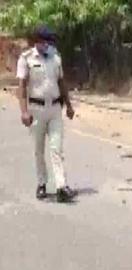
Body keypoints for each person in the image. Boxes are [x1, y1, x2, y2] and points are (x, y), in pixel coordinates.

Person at [16, 26, 77, 203]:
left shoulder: (56, 57)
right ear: (38, 41)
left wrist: (69, 106)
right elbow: (21, 87)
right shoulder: (26, 59)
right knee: (38, 150)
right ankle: (42, 184)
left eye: (50, 42)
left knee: (56, 149)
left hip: (55, 109)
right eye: (47, 41)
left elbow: (61, 82)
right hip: (36, 110)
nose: (49, 45)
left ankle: (61, 187)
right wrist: (24, 112)